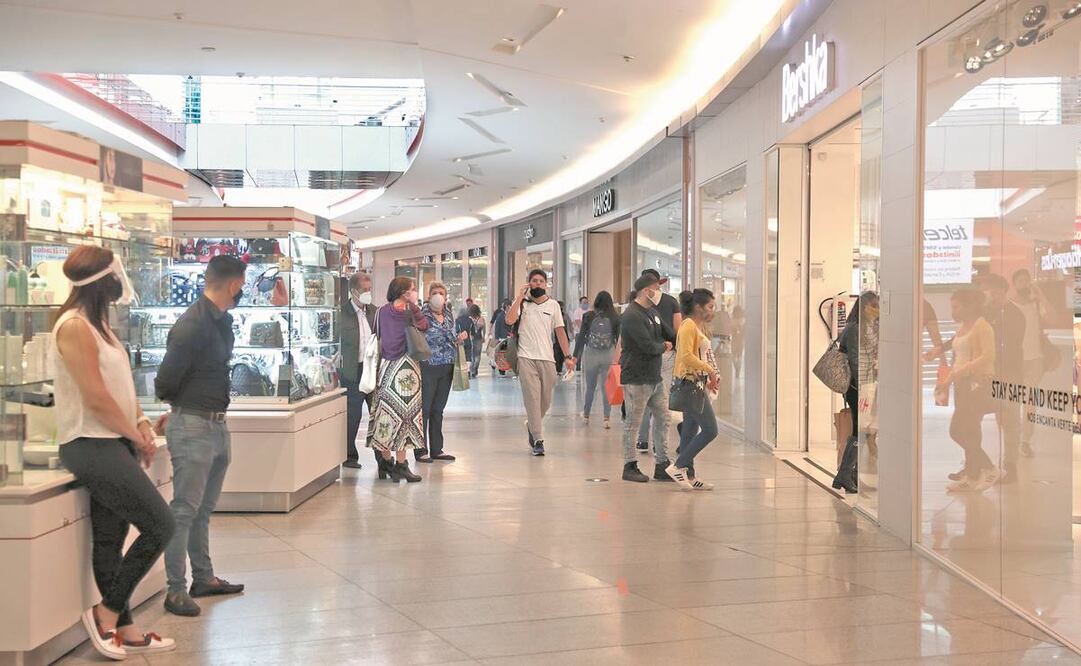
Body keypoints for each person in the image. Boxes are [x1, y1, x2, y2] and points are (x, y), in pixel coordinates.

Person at [53, 246, 177, 659]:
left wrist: (140, 423)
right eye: (116, 274)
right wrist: (136, 435)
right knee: (161, 524)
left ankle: (124, 626)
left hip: (114, 441)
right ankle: (105, 612)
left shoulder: (101, 326)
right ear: (103, 280)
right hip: (90, 444)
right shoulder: (73, 327)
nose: (122, 281)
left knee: (111, 538)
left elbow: (121, 391)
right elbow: (96, 398)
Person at [155, 254, 247, 617]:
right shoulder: (191, 325)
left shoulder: (221, 322)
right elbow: (166, 381)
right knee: (184, 510)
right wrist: (179, 407)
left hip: (215, 423)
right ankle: (175, 590)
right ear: (235, 283)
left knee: (203, 509)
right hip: (193, 425)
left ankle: (203, 577)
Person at [504, 268, 575, 456]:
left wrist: (568, 357)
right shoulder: (523, 304)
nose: (537, 284)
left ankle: (532, 425)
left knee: (545, 400)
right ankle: (538, 439)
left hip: (547, 358)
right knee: (532, 399)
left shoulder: (553, 306)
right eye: (534, 281)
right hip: (526, 358)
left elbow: (560, 331)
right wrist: (519, 297)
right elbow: (509, 319)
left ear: (546, 285)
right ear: (529, 283)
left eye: (541, 281)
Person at [368, 276, 429, 482]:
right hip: (406, 368)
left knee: (385, 414)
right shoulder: (410, 311)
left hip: (385, 368)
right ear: (404, 293)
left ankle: (385, 463)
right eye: (412, 290)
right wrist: (413, 305)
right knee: (406, 415)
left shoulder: (380, 311)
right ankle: (402, 465)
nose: (414, 293)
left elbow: (376, 333)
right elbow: (424, 325)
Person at [619, 273, 675, 482]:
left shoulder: (653, 312)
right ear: (646, 291)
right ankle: (629, 465)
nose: (659, 292)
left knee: (664, 418)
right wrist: (664, 346)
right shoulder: (631, 315)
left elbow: (668, 334)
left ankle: (662, 464)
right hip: (637, 377)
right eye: (656, 288)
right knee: (633, 423)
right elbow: (647, 346)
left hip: (655, 377)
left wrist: (673, 341)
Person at [942, 287, 999, 492]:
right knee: (964, 430)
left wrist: (961, 372)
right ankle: (974, 473)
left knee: (962, 430)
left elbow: (988, 356)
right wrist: (948, 381)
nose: (953, 311)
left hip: (976, 384)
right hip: (962, 384)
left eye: (956, 307)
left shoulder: (982, 326)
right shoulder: (964, 327)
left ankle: (987, 469)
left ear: (969, 306)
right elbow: (958, 359)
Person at [667, 289, 720, 490]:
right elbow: (686, 356)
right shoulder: (688, 326)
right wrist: (710, 372)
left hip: (695, 383)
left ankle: (688, 475)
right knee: (710, 430)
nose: (712, 311)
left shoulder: (695, 326)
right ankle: (678, 466)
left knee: (689, 431)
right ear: (698, 307)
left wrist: (707, 379)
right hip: (690, 385)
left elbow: (695, 357)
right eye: (710, 307)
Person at [832, 292, 878, 494]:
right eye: (873, 306)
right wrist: (862, 389)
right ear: (865, 307)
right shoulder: (855, 328)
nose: (876, 310)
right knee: (861, 429)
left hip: (866, 385)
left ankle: (851, 475)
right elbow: (855, 360)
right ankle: (844, 474)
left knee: (863, 428)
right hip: (858, 387)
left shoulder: (867, 326)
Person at [416, 282, 465, 464]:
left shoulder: (449, 314)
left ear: (446, 297)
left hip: (447, 365)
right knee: (425, 409)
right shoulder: (421, 315)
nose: (438, 296)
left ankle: (437, 449)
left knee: (438, 409)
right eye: (435, 292)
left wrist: (459, 339)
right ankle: (421, 449)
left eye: (441, 293)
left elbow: (451, 336)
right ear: (429, 296)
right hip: (428, 365)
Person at [635, 268, 681, 452]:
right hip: (668, 354)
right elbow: (677, 331)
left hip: (646, 355)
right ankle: (659, 445)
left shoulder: (639, 303)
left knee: (645, 398)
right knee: (662, 400)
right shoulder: (671, 301)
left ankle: (642, 440)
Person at [341, 272, 377, 470]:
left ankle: (383, 457)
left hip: (371, 369)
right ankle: (349, 455)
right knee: (352, 416)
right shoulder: (342, 313)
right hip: (352, 371)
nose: (367, 294)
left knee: (378, 412)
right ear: (353, 291)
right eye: (364, 290)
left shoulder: (374, 311)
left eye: (369, 289)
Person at [1011, 269, 1047, 457]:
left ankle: (1025, 441)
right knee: (1013, 403)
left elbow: (1052, 317)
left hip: (1035, 359)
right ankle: (1013, 439)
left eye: (1027, 281)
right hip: (1015, 361)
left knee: (1030, 402)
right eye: (1021, 281)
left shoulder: (1035, 304)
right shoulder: (1009, 306)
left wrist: (1040, 295)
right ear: (1014, 284)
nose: (1024, 284)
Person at [574, 291, 620, 429]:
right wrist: (618, 358)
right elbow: (618, 340)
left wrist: (575, 356)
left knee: (590, 387)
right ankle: (606, 418)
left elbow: (581, 337)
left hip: (591, 354)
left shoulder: (588, 316)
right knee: (606, 387)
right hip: (608, 355)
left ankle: (586, 415)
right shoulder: (615, 317)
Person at [490, 298, 512, 376]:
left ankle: (504, 368)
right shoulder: (501, 315)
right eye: (510, 306)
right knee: (502, 354)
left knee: (505, 354)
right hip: (503, 338)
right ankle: (501, 369)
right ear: (507, 306)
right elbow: (497, 327)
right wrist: (497, 337)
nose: (511, 307)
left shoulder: (508, 314)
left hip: (507, 337)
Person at [469, 304, 485, 378]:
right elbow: (484, 329)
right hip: (479, 338)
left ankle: (471, 369)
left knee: (472, 355)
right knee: (478, 355)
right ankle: (475, 369)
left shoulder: (469, 319)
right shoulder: (481, 319)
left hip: (471, 338)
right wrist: (484, 336)